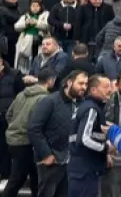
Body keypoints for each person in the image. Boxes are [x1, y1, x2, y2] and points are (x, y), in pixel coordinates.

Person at [28, 69, 88, 197]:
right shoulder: (49, 101)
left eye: (86, 84)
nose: (84, 87)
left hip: (72, 161)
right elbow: (34, 129)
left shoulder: (82, 103)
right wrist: (46, 154)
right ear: (70, 82)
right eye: (81, 83)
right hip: (52, 159)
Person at [4, 68, 55, 197]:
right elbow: (39, 124)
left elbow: (9, 115)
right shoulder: (45, 98)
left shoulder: (21, 94)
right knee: (18, 178)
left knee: (34, 176)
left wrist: (15, 127)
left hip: (13, 139)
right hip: (27, 142)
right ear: (50, 81)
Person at [68, 74, 112, 197]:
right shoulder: (91, 109)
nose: (110, 90)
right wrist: (106, 148)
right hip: (86, 172)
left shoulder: (85, 106)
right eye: (106, 87)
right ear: (93, 90)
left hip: (80, 169)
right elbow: (84, 138)